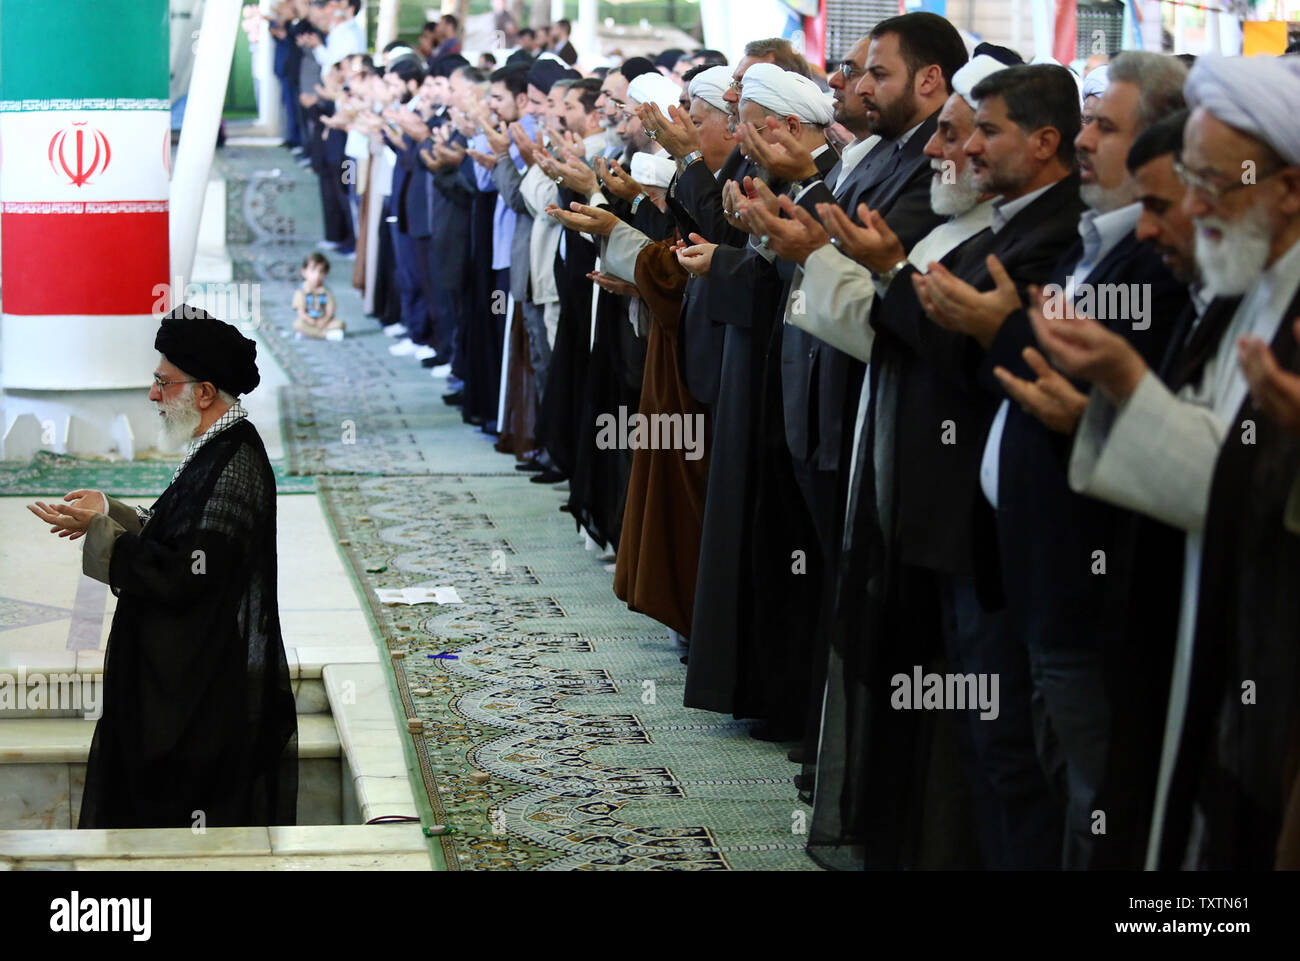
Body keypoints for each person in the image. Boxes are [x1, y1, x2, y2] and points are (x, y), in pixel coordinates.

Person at [26, 308, 298, 829]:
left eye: (162, 382)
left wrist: (106, 534)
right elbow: (176, 531)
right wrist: (108, 512)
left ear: (204, 392)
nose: (153, 394)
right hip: (183, 677)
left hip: (199, 696)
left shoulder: (237, 464)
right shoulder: (217, 447)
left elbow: (187, 574)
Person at [293, 251, 343, 340]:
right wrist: (310, 320)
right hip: (308, 321)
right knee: (298, 324)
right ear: (304, 272)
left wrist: (324, 321)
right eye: (313, 271)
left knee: (340, 324)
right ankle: (325, 335)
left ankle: (309, 334)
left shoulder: (326, 292)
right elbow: (301, 312)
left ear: (326, 274)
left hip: (324, 321)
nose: (317, 275)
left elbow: (330, 311)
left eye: (321, 272)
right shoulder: (301, 291)